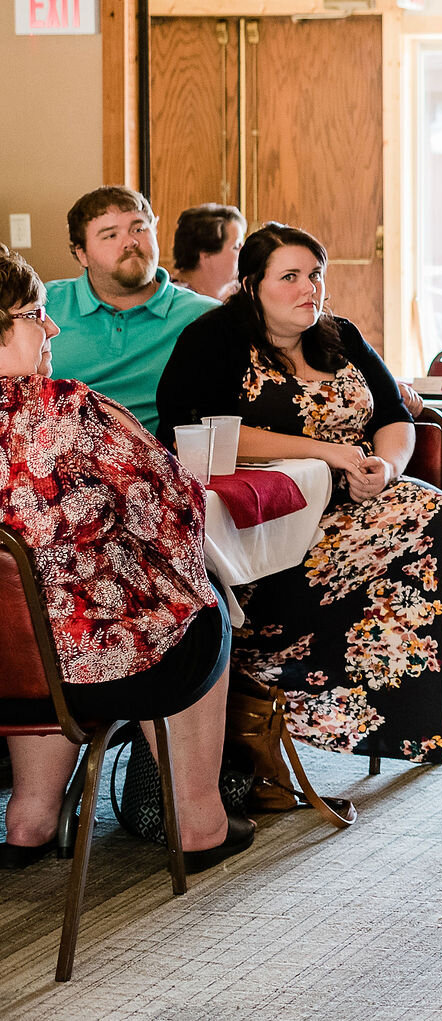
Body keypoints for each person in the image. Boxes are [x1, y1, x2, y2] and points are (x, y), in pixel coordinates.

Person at [156, 223, 442, 768]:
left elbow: (394, 416)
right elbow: (199, 427)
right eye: (289, 277)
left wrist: (385, 468)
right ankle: (268, 669)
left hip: (350, 497)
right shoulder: (215, 338)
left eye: (314, 275)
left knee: (429, 509)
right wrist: (328, 451)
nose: (307, 289)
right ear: (252, 285)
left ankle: (392, 722)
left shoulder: (340, 334)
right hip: (263, 511)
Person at [0, 248, 253, 872]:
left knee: (29, 633)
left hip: (7, 669)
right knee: (203, 605)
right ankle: (198, 821)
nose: (53, 327)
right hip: (100, 666)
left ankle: (30, 819)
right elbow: (173, 510)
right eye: (36, 314)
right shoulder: (68, 413)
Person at [45, 186, 217, 433]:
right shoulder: (42, 305)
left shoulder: (205, 316)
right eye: (110, 235)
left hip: (161, 461)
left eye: (139, 228)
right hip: (54, 459)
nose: (130, 242)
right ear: (82, 254)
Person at [169, 203, 246, 300]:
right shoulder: (176, 300)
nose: (244, 251)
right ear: (206, 255)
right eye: (236, 246)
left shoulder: (244, 293)